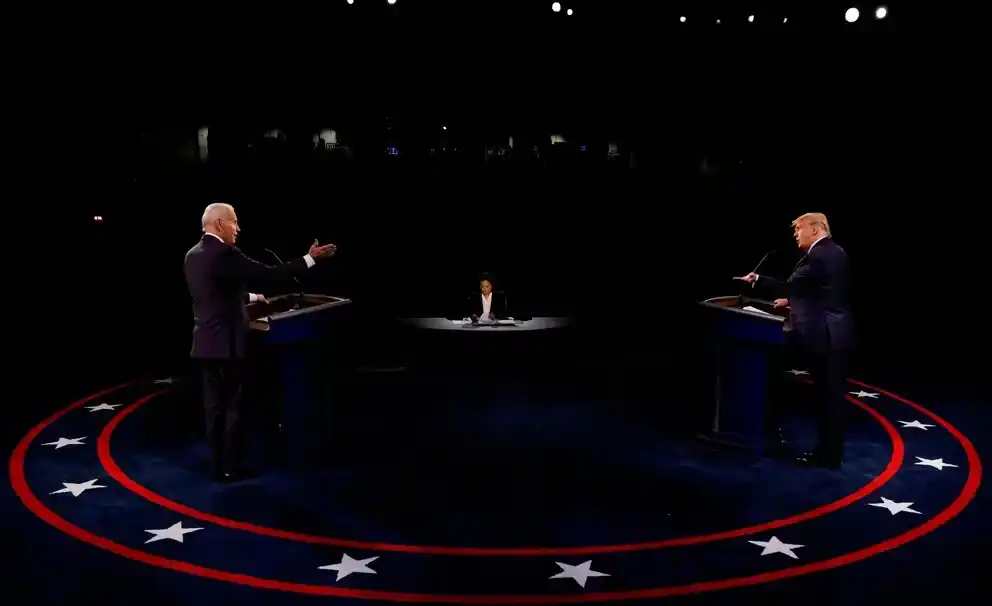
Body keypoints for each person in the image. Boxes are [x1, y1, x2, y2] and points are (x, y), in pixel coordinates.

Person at [184, 202, 336, 482]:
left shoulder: (193, 255)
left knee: (213, 409)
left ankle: (219, 466)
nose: (238, 228)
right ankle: (231, 468)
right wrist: (310, 258)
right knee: (231, 408)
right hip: (227, 345)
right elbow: (269, 273)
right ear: (219, 224)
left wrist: (252, 298)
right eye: (234, 221)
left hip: (204, 344)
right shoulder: (227, 253)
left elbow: (214, 294)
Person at [735, 212, 854, 469]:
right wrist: (792, 302)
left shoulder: (818, 254)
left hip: (823, 335)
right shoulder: (837, 252)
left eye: (799, 229)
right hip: (836, 332)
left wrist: (758, 281)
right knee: (830, 399)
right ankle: (828, 455)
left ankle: (823, 456)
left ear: (814, 228)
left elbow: (792, 285)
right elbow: (822, 290)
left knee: (827, 399)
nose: (796, 234)